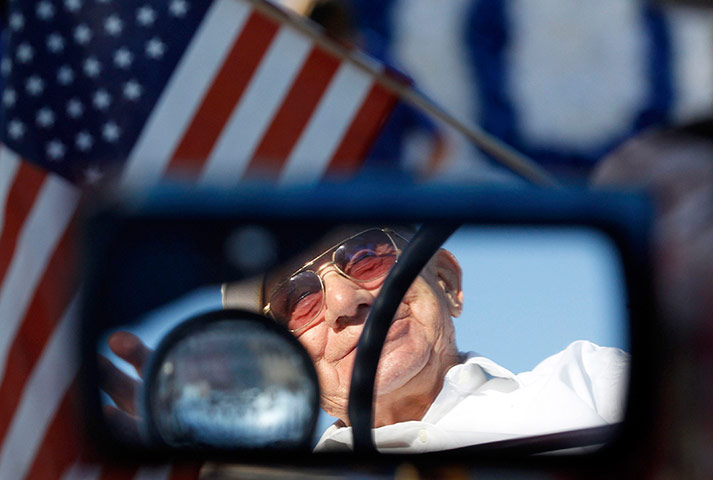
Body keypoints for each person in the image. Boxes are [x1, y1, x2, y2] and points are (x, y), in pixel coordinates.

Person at [103, 225, 629, 452]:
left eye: (366, 257)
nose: (341, 302)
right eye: (296, 300)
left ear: (445, 282)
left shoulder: (592, 382)